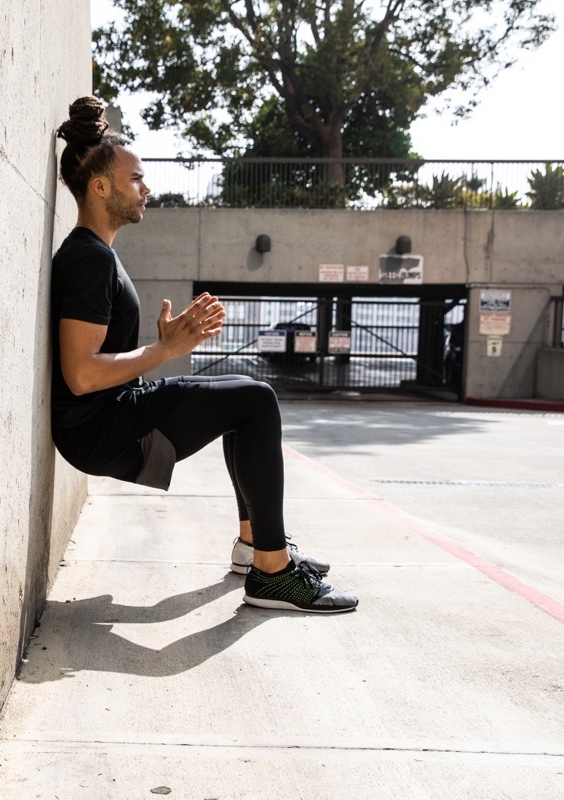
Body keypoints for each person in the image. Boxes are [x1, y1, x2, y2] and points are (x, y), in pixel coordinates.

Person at [50, 96, 357, 613]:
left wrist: (159, 346)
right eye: (135, 181)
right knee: (256, 401)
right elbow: (79, 375)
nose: (146, 190)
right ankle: (273, 571)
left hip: (111, 414)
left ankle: (255, 548)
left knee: (246, 400)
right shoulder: (88, 259)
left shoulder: (96, 254)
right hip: (101, 427)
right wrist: (164, 349)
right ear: (100, 187)